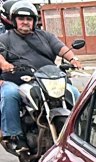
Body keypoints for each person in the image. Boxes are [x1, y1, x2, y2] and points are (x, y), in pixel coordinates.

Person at [0, 2, 82, 150]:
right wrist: (5, 64)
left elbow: (61, 48)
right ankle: (13, 136)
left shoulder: (45, 36)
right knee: (9, 93)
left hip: (47, 77)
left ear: (34, 21)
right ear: (14, 20)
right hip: (18, 80)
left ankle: (81, 132)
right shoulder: (5, 38)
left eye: (29, 19)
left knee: (73, 92)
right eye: (21, 18)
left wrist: (73, 59)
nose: (25, 22)